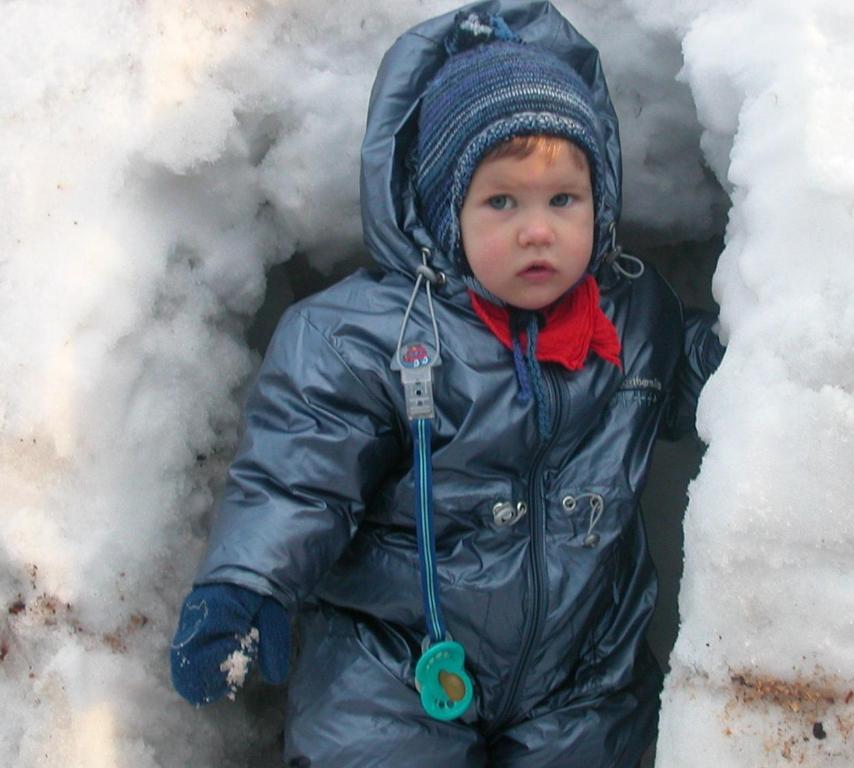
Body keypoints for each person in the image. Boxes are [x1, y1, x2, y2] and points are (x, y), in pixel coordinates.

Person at [168, 2, 725, 766]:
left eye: (564, 200)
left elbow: (719, 385)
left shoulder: (634, 318)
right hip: (395, 658)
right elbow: (298, 477)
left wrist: (762, 365)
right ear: (442, 212)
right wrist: (246, 584)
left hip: (585, 671)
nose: (538, 229)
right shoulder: (364, 337)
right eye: (502, 202)